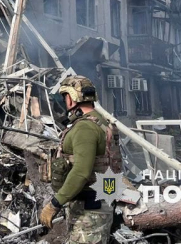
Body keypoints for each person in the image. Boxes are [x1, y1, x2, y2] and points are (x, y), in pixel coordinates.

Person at [39, 75, 115, 244]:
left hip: (90, 209)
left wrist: (55, 203)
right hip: (98, 203)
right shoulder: (101, 122)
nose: (64, 101)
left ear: (72, 99)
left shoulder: (85, 128)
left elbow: (81, 171)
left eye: (65, 96)